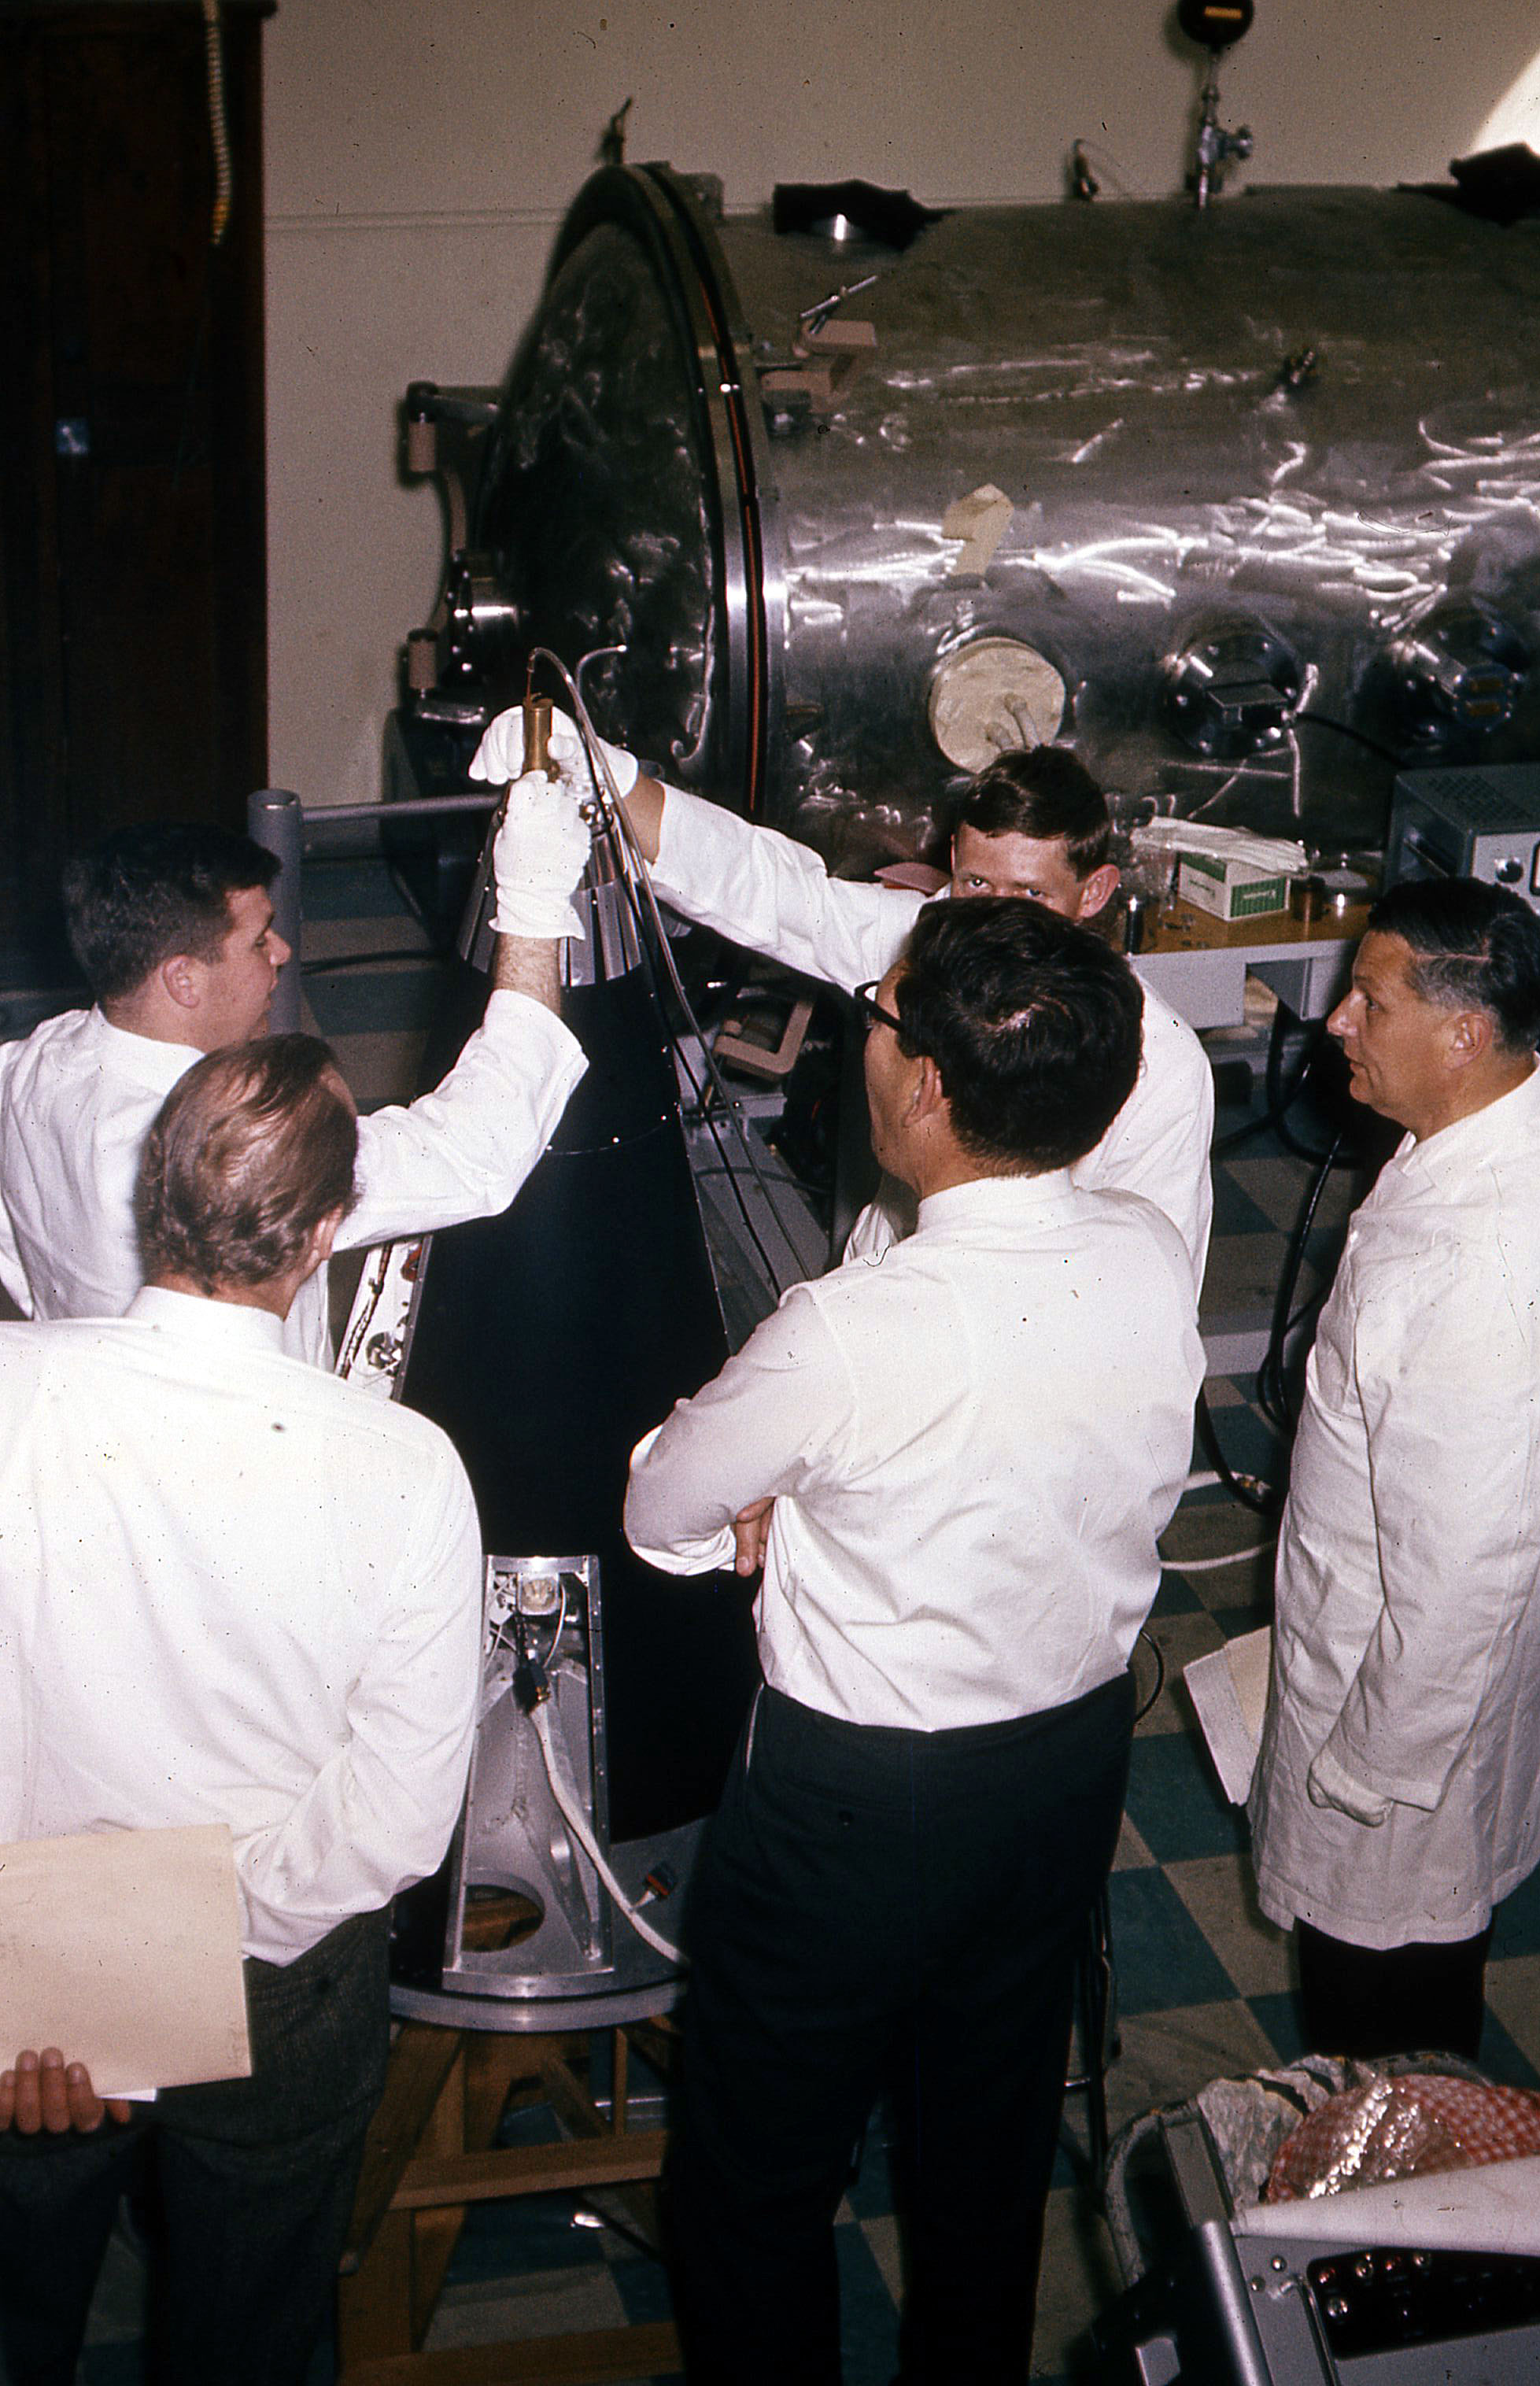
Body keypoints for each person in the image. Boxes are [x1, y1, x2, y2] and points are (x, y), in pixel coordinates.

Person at [626, 898, 1204, 2384]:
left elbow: (661, 1507)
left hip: (852, 1804)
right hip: (1066, 1772)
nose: (862, 1041)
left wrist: (742, 1516)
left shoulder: (847, 1325)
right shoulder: (1148, 1249)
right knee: (984, 2151)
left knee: (754, 2176)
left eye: (876, 1017)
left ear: (931, 1085)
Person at [0, 1034, 486, 2386]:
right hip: (280, 1980)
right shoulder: (403, 1464)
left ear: (153, 1186)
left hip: (25, 1980)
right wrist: (172, 1962)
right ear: (327, 1230)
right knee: (251, 2338)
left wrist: (75, 1982)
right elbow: (391, 1826)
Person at [1249, 878, 1540, 2063]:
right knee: (1424, 1979)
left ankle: (1394, 2230)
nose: (1337, 1024)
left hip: (1402, 1724)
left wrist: (1367, 1768)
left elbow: (1461, 1573)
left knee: (1383, 2020)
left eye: (1369, 1000)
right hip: (1424, 1675)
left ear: (1465, 1033)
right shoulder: (1514, 1122)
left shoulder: (1483, 1273)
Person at [471, 711, 1215, 1284]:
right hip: (885, 1291)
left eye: (1030, 894)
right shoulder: (930, 941)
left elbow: (1147, 1285)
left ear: (1096, 893)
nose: (994, 919)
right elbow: (775, 889)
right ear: (951, 862)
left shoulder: (1163, 1064)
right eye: (977, 885)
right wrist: (610, 775)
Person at [0, 770, 591, 1362]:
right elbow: (476, 1147)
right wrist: (534, 904)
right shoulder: (238, 1145)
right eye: (259, 940)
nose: (283, 952)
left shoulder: (31, 1063)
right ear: (182, 979)